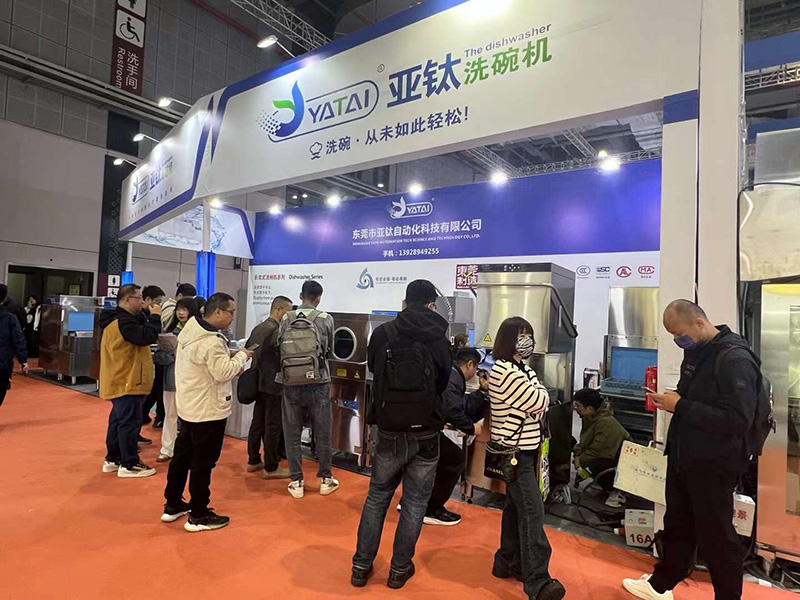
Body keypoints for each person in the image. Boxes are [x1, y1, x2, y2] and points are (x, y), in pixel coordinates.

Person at [623, 300, 759, 600]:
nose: (677, 340)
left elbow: (737, 420)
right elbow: (692, 396)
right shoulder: (696, 352)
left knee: (716, 536)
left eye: (679, 334)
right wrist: (672, 399)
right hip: (685, 456)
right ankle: (661, 584)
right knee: (678, 524)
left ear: (699, 322)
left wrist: (681, 405)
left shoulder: (735, 359)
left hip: (714, 462)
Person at [352, 280, 452, 590]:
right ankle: (398, 570)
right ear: (431, 304)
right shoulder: (439, 337)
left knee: (377, 496)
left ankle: (360, 567)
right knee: (415, 503)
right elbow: (442, 381)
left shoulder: (384, 332)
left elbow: (375, 371)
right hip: (426, 429)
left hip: (389, 426)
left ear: (405, 302)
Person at [489, 316, 565, 600]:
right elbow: (539, 401)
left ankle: (508, 562)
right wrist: (538, 397)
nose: (527, 341)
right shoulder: (503, 370)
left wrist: (537, 397)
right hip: (513, 453)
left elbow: (539, 398)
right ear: (508, 339)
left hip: (527, 451)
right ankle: (538, 581)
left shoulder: (522, 369)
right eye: (521, 335)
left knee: (515, 509)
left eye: (529, 335)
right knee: (533, 512)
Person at [162, 293, 252, 532]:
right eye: (231, 312)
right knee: (203, 463)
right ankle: (199, 513)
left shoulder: (190, 332)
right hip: (208, 409)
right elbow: (223, 373)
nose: (233, 317)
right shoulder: (211, 341)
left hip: (189, 405)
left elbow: (206, 364)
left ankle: (173, 503)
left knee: (182, 457)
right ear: (218, 312)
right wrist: (242, 355)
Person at [278, 280, 338, 499]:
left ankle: (296, 482)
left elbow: (279, 345)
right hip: (318, 381)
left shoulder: (286, 318)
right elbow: (329, 350)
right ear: (319, 298)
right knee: (322, 432)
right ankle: (325, 480)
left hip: (290, 382)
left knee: (292, 432)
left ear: (300, 296)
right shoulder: (325, 318)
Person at [99, 284, 162, 478]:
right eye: (139, 298)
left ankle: (114, 458)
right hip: (127, 379)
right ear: (127, 300)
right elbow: (147, 336)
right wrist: (155, 317)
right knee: (129, 423)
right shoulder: (124, 322)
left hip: (119, 377)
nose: (142, 302)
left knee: (118, 420)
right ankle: (130, 463)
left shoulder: (117, 320)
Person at [424, 346, 489, 526]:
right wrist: (471, 428)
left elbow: (462, 406)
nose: (476, 373)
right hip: (426, 430)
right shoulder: (452, 378)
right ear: (470, 364)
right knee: (454, 460)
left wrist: (482, 391)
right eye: (476, 369)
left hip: (422, 427)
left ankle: (415, 502)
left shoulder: (452, 375)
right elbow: (453, 410)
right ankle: (431, 509)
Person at [245, 295, 293, 478]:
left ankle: (253, 460)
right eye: (288, 311)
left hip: (258, 381)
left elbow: (249, 349)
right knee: (272, 425)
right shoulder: (277, 330)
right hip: (273, 383)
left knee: (257, 422)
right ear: (279, 310)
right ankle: (271, 467)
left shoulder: (259, 328)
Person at [155, 297, 201, 463]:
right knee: (170, 414)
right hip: (172, 379)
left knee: (192, 417)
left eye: (185, 309)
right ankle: (167, 448)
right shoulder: (169, 330)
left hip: (192, 380)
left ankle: (191, 449)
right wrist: (172, 354)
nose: (181, 313)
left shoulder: (199, 331)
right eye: (179, 309)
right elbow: (158, 356)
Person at [572, 387, 631, 507]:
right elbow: (584, 441)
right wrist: (577, 453)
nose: (575, 408)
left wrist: (579, 461)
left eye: (578, 406)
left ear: (589, 408)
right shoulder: (589, 417)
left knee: (595, 464)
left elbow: (597, 452)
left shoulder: (605, 423)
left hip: (620, 464)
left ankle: (616, 490)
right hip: (607, 455)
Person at [142, 285, 167, 427]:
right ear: (147, 299)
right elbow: (149, 336)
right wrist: (155, 317)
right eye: (157, 301)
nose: (159, 305)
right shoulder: (144, 316)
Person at [0, 285, 28, 408]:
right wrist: (23, 360)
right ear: (5, 298)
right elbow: (18, 338)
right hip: (3, 360)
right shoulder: (10, 317)